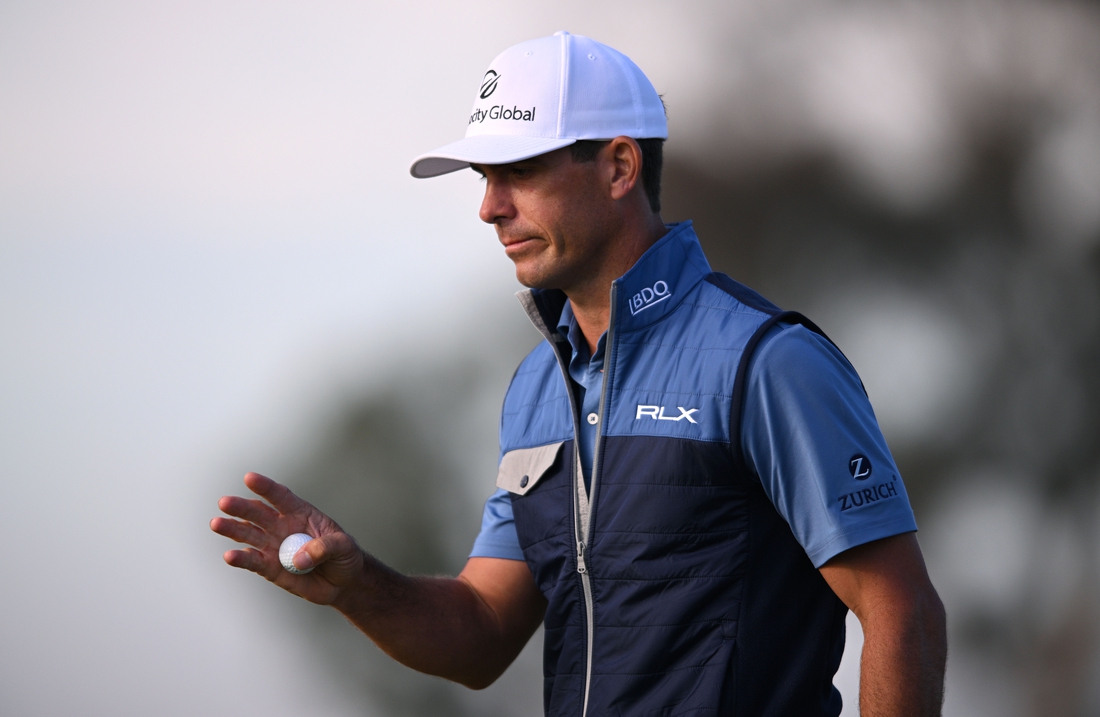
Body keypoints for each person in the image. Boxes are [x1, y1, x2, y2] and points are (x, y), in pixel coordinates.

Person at [211, 31, 946, 717]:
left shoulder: (766, 359)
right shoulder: (537, 388)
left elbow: (899, 608)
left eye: (520, 172)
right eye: (485, 177)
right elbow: (481, 631)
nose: (490, 207)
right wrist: (359, 586)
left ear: (620, 167)